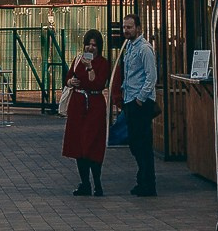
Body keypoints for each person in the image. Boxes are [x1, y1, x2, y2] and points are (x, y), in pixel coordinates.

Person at [62, 31, 113, 196]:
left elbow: (98, 83)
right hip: (78, 105)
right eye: (88, 44)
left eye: (94, 45)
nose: (90, 48)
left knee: (93, 144)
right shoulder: (78, 60)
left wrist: (90, 67)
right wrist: (71, 81)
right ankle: (85, 183)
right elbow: (68, 77)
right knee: (78, 145)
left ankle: (97, 183)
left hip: (94, 106)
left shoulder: (103, 63)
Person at [118, 16, 159, 199]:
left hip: (139, 102)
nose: (126, 30)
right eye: (124, 27)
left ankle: (148, 183)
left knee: (143, 144)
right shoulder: (128, 48)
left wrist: (141, 99)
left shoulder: (144, 49)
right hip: (130, 99)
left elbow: (151, 76)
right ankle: (142, 179)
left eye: (130, 27)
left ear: (138, 28)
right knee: (135, 143)